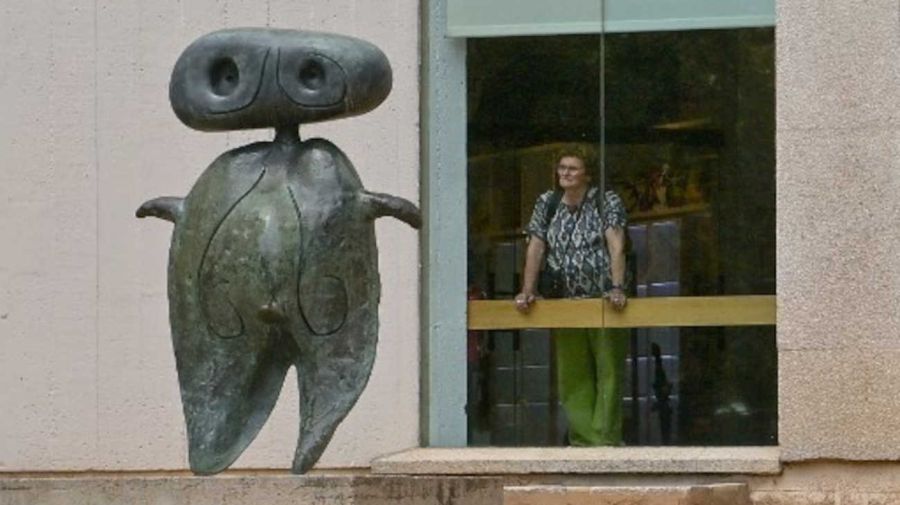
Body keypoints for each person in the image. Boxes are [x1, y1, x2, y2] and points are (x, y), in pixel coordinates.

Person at [514, 148, 629, 446]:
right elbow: (536, 246)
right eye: (562, 167)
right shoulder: (547, 202)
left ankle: (605, 439)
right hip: (565, 300)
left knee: (608, 370)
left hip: (602, 300)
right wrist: (528, 290)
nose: (565, 173)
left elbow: (616, 244)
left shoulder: (606, 201)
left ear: (587, 174)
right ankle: (583, 440)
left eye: (573, 168)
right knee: (572, 373)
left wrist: (617, 287)